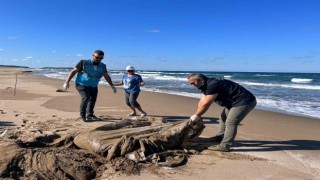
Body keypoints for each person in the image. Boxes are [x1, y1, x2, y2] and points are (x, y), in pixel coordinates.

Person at [188, 73, 256, 152]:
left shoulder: (213, 85)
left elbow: (206, 103)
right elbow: (202, 101)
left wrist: (197, 115)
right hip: (232, 102)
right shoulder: (204, 85)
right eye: (190, 84)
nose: (192, 85)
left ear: (201, 80)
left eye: (193, 83)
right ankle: (219, 137)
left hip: (245, 101)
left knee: (231, 122)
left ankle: (225, 145)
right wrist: (197, 114)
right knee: (223, 118)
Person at [63, 50, 117, 122]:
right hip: (81, 84)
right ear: (93, 55)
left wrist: (112, 86)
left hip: (93, 85)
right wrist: (67, 81)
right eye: (97, 57)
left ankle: (90, 115)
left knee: (93, 100)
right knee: (86, 98)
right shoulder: (83, 62)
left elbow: (106, 76)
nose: (99, 59)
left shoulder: (103, 66)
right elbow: (73, 71)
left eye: (101, 58)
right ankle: (82, 116)